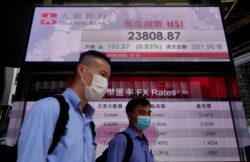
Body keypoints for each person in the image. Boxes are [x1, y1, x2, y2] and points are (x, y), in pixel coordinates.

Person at [17, 50, 111, 162]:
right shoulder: (48, 108)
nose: (105, 83)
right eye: (102, 74)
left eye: (108, 78)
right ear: (82, 70)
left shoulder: (89, 125)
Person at [106, 98, 154, 162]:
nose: (147, 117)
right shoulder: (121, 139)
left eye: (148, 113)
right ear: (130, 116)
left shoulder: (144, 142)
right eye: (142, 113)